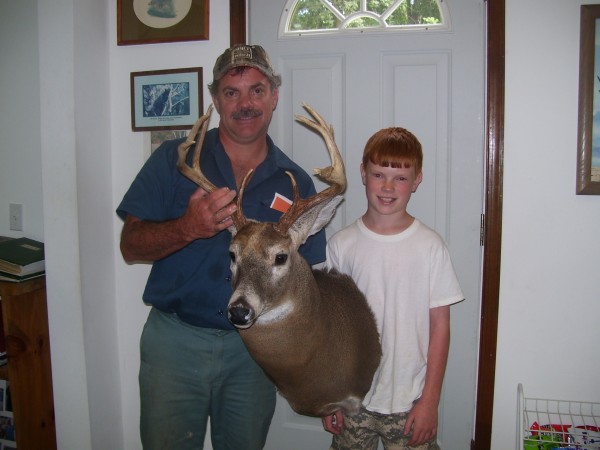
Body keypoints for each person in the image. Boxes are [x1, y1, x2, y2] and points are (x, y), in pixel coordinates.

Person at [117, 44, 326, 450]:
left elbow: (309, 280)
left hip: (254, 350)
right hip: (175, 343)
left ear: (274, 96)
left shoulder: (295, 184)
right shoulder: (174, 160)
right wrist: (187, 227)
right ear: (215, 99)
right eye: (232, 92)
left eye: (257, 90)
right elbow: (130, 246)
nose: (245, 103)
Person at [321, 127, 464, 449]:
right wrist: (330, 398)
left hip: (410, 401)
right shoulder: (341, 245)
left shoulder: (430, 246)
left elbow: (440, 326)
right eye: (378, 174)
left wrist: (430, 401)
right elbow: (332, 331)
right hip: (352, 400)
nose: (387, 187)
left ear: (417, 180)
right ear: (362, 174)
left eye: (400, 178)